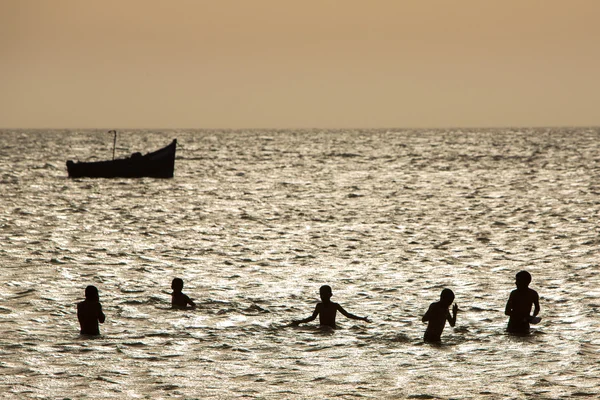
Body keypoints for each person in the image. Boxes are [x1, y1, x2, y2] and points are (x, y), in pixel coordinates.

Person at [291, 285, 370, 328]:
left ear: (330, 295)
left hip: (331, 329)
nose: (322, 296)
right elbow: (312, 318)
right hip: (321, 328)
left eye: (324, 294)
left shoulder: (335, 306)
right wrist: (299, 322)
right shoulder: (319, 306)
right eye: (321, 294)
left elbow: (347, 315)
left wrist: (362, 318)